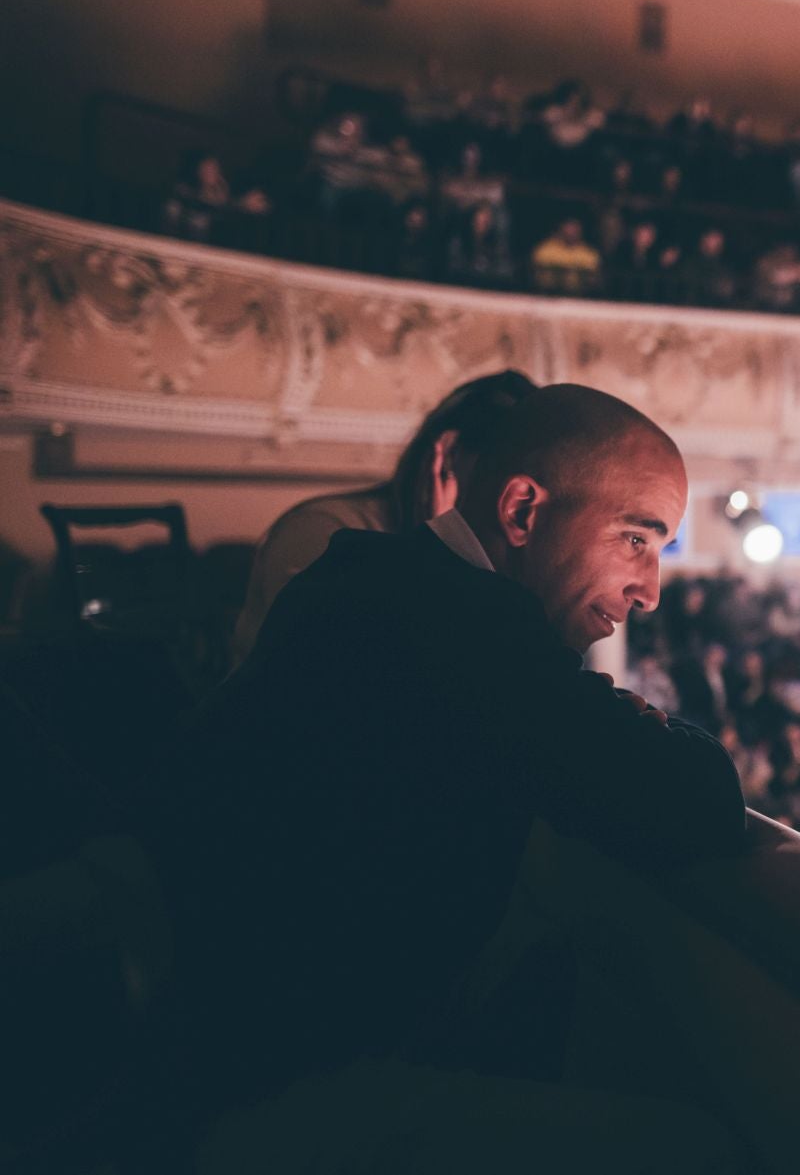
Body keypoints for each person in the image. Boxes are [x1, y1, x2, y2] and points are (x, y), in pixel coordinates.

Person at [139, 385, 746, 1160]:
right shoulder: (469, 631)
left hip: (199, 1045)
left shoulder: (367, 571)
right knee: (697, 1147)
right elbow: (699, 801)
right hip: (286, 1094)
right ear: (524, 511)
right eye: (637, 538)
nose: (650, 588)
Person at [232, 371, 537, 665]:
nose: (510, 505)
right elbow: (350, 681)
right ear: (448, 455)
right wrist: (437, 555)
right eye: (497, 476)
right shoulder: (324, 530)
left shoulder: (500, 557)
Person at [532, 218, 601, 295]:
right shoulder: (546, 248)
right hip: (547, 295)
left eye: (574, 228)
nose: (571, 232)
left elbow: (593, 276)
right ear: (561, 229)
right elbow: (539, 269)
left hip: (580, 296)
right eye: (568, 227)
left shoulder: (588, 253)